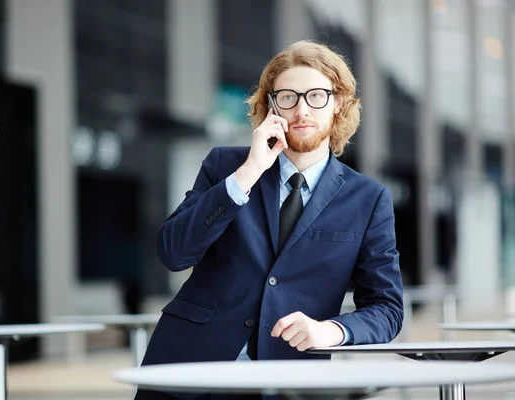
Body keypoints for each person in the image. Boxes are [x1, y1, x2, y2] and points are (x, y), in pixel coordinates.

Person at [137, 40, 403, 399]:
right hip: (191, 368)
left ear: (338, 102)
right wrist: (248, 173)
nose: (302, 110)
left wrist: (333, 331)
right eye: (288, 97)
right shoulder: (225, 167)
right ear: (270, 105)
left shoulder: (368, 199)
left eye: (316, 96)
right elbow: (174, 253)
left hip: (287, 378)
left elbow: (387, 308)